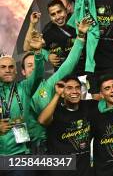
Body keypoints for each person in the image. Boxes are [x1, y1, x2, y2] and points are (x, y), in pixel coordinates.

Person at [29, 18, 93, 157]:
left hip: (47, 145)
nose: (32, 68)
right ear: (21, 71)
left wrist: (81, 37)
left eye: (33, 63)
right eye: (28, 66)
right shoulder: (14, 90)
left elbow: (68, 64)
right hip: (18, 148)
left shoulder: (49, 85)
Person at [38, 76, 93, 176]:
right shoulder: (56, 111)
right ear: (63, 93)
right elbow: (42, 120)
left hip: (83, 170)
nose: (75, 91)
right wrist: (57, 94)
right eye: (69, 88)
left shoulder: (88, 107)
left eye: (77, 88)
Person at [0, 36, 44, 158]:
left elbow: (38, 75)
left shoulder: (24, 88)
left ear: (16, 71)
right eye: (3, 67)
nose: (8, 70)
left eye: (11, 67)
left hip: (20, 155)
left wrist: (38, 53)